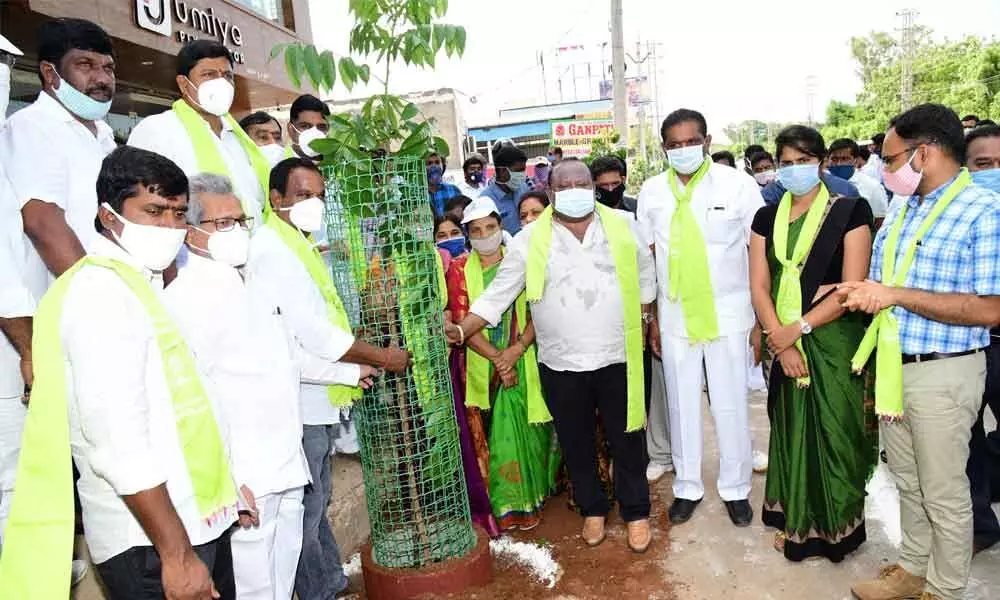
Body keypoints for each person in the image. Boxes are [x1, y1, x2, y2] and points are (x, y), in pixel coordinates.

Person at [0, 147, 238, 599]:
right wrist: (177, 555)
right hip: (149, 543)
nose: (169, 227)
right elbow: (118, 442)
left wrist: (225, 495)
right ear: (109, 217)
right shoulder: (100, 296)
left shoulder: (139, 284)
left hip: (190, 521)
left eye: (178, 214)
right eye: (153, 212)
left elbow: (179, 410)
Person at [164, 173, 375, 599]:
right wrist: (228, 475)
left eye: (240, 220)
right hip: (244, 466)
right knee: (253, 575)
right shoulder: (183, 297)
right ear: (190, 231)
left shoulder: (250, 277)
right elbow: (193, 399)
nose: (237, 231)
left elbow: (287, 357)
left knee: (285, 554)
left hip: (283, 452)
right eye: (223, 223)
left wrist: (348, 373)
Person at [446, 159, 655, 553]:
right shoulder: (529, 240)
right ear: (552, 191)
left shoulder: (623, 225)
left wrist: (646, 318)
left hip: (619, 354)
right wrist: (461, 329)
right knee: (575, 441)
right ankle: (593, 510)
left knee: (627, 440)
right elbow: (497, 296)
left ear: (593, 186)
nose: (575, 190)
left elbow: (646, 273)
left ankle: (636, 513)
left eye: (582, 183)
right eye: (565, 184)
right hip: (561, 362)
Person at [843, 104, 1000, 600]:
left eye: (890, 160)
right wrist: (861, 288)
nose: (885, 170)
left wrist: (895, 295)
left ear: (924, 153)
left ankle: (946, 588)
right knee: (907, 480)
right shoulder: (908, 209)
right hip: (895, 365)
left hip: (944, 372)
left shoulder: (983, 212)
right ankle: (913, 567)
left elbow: (990, 309)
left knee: (944, 491)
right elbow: (892, 281)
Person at [246, 157, 410, 600]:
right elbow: (314, 335)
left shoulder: (297, 245)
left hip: (314, 396)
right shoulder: (273, 251)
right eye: (302, 195)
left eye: (319, 195)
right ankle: (322, 592)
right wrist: (378, 358)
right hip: (296, 403)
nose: (313, 204)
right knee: (306, 508)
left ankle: (329, 584)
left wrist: (352, 365)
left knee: (315, 505)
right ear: (275, 198)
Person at [749, 125, 877, 562]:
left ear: (821, 163)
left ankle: (838, 527)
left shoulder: (850, 211)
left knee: (836, 431)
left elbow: (850, 288)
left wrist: (797, 330)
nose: (793, 169)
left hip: (833, 338)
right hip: (783, 337)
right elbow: (759, 285)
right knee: (792, 428)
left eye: (803, 161)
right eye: (785, 162)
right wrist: (780, 343)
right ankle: (796, 519)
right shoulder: (766, 217)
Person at [637, 109, 761, 527]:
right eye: (674, 144)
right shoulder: (652, 192)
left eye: (691, 142)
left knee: (730, 404)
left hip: (729, 312)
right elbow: (649, 259)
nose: (683, 150)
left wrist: (763, 318)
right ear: (663, 149)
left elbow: (758, 253)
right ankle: (687, 486)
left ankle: (736, 488)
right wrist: (651, 314)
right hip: (675, 315)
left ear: (707, 141)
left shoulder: (738, 185)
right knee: (681, 402)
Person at [445, 196, 558, 532]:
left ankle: (533, 497)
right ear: (468, 235)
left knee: (528, 429)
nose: (485, 235)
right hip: (481, 362)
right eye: (477, 230)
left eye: (491, 227)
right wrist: (498, 358)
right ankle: (509, 505)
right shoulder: (459, 272)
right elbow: (463, 323)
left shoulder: (523, 260)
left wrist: (516, 350)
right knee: (499, 436)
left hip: (525, 358)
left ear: (501, 227)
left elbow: (540, 309)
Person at [1, 18, 117, 300]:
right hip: (75, 306)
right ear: (50, 74)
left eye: (108, 67)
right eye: (85, 65)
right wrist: (98, 300)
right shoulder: (32, 126)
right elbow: (43, 223)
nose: (102, 79)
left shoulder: (104, 134)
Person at [128, 40, 269, 222]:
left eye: (227, 75)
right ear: (184, 84)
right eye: (209, 75)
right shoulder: (157, 131)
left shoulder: (240, 138)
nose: (221, 82)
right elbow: (140, 205)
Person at [962, 124, 1000, 555]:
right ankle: (979, 525)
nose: (993, 172)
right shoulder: (958, 215)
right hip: (970, 343)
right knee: (966, 441)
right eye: (983, 164)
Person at [828, 138, 890, 227]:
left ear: (855, 160)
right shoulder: (821, 184)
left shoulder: (872, 187)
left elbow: (880, 221)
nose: (839, 164)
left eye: (844, 159)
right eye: (834, 159)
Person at [482, 144, 530, 235]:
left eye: (524, 170)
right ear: (502, 171)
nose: (523, 174)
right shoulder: (485, 201)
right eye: (519, 170)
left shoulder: (523, 188)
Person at [287, 94, 330, 162]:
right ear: (291, 130)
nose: (314, 133)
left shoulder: (340, 163)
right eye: (305, 126)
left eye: (321, 127)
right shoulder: (277, 161)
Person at [425, 151, 463, 217]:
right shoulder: (416, 195)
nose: (434, 166)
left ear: (443, 165)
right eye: (429, 163)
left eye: (437, 162)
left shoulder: (454, 191)